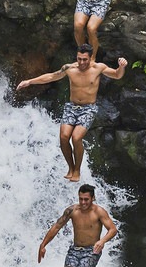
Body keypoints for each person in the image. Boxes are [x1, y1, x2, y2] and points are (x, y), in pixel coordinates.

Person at [16, 44, 127, 181]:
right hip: (71, 107)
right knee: (63, 137)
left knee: (76, 137)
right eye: (79, 59)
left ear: (90, 58)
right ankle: (70, 167)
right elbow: (52, 76)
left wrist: (121, 67)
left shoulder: (98, 68)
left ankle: (77, 171)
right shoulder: (69, 68)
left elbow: (117, 75)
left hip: (88, 108)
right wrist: (30, 81)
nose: (81, 62)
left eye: (85, 59)